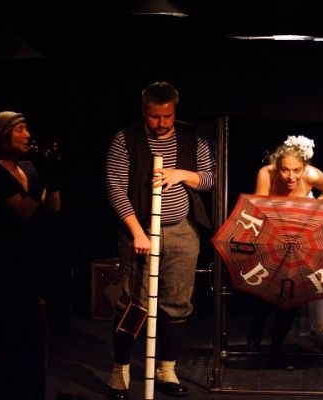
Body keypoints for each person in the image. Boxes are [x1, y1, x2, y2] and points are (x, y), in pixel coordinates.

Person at [105, 81, 215, 398]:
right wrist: (138, 233)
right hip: (139, 229)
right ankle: (120, 371)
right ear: (144, 111)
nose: (162, 123)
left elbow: (211, 178)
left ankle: (166, 369)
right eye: (155, 117)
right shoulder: (126, 139)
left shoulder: (192, 136)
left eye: (168, 116)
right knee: (133, 302)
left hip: (182, 230)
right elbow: (115, 187)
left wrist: (181, 174)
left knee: (177, 301)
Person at [0, 111, 61, 400]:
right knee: (2, 329)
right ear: (1, 137)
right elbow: (22, 212)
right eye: (19, 130)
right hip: (0, 266)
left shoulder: (27, 168)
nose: (27, 135)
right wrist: (42, 184)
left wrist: (52, 179)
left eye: (26, 128)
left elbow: (53, 206)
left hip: (27, 263)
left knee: (28, 331)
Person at [247, 134, 323, 368]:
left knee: (293, 294)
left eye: (296, 170)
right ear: (277, 165)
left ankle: (276, 350)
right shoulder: (266, 174)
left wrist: (314, 209)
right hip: (271, 232)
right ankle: (258, 323)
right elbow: (258, 209)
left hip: (301, 235)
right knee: (268, 288)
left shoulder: (311, 175)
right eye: (285, 170)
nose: (291, 177)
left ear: (304, 167)